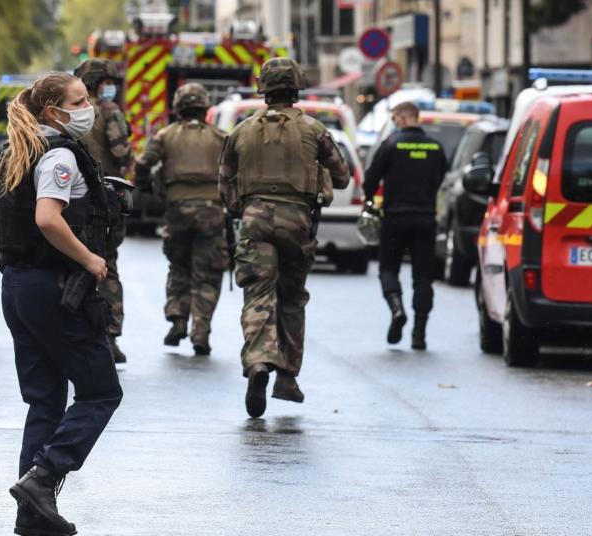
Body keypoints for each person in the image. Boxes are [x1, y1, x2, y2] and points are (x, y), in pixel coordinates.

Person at [0, 72, 123, 536]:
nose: (90, 108)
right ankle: (43, 478)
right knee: (101, 391)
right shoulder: (60, 155)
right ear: (51, 112)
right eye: (79, 101)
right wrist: (89, 259)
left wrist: (23, 257)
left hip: (18, 287)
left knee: (45, 401)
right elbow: (47, 217)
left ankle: (32, 514)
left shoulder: (13, 153)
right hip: (56, 289)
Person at [219, 57, 350, 418]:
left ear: (263, 91)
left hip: (255, 220)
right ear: (296, 88)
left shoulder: (242, 131)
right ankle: (288, 379)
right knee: (292, 298)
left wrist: (239, 209)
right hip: (298, 221)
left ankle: (260, 361)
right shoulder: (314, 129)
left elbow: (225, 182)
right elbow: (342, 177)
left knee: (258, 295)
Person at [134, 83, 228, 355]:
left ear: (178, 108)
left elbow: (142, 164)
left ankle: (177, 318)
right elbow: (234, 171)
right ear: (205, 107)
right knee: (207, 273)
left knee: (179, 266)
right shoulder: (220, 137)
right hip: (211, 211)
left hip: (177, 210)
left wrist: (148, 187)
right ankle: (200, 331)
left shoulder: (165, 135)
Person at [362, 102, 447, 351]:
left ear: (401, 117)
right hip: (425, 218)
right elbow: (441, 177)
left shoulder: (391, 144)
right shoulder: (435, 147)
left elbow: (371, 179)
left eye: (394, 118)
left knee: (388, 269)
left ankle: (396, 308)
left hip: (395, 218)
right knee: (423, 278)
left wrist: (369, 201)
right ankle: (419, 332)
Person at [73, 58, 131, 363]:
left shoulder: (70, 111)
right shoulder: (109, 112)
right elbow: (122, 151)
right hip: (106, 199)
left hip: (71, 199)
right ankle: (108, 334)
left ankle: (73, 331)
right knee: (107, 265)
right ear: (99, 83)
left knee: (72, 263)